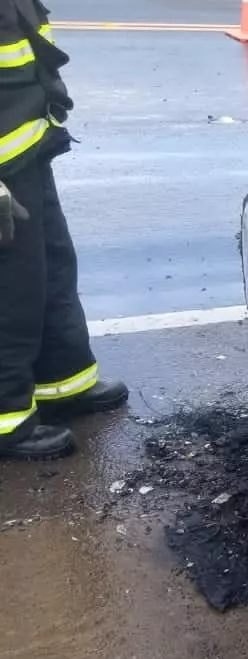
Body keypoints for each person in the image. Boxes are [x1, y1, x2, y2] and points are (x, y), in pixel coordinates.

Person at [0, 0, 127, 461]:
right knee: (10, 290)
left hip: (22, 143)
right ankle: (6, 420)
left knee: (51, 266)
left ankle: (62, 381)